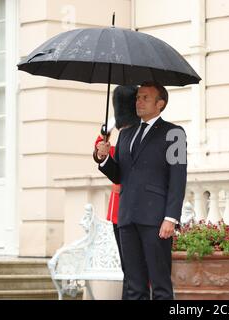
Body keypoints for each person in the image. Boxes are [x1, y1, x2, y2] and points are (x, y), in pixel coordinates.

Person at [95, 81, 187, 300]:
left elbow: (178, 178)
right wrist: (104, 157)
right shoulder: (126, 134)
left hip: (156, 220)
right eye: (138, 97)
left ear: (160, 103)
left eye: (145, 97)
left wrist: (171, 218)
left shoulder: (175, 133)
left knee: (161, 285)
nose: (139, 101)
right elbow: (119, 175)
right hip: (127, 218)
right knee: (134, 286)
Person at [93, 85, 139, 299]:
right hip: (118, 210)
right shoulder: (115, 131)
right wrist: (103, 141)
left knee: (136, 269)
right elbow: (102, 153)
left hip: (137, 208)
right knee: (129, 268)